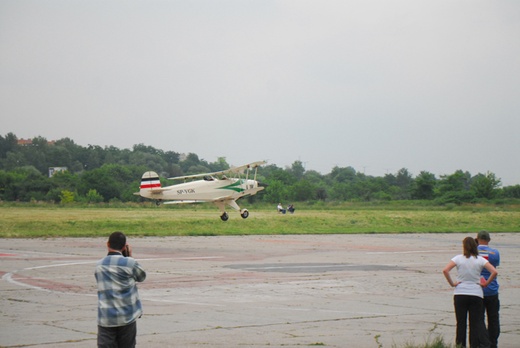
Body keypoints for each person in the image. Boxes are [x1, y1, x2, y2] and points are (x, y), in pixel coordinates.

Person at [443, 236, 498, 348]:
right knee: (474, 323)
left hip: (460, 293)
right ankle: (474, 345)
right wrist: (486, 283)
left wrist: (452, 283)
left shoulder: (458, 258)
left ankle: (460, 345)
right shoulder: (480, 260)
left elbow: (445, 270)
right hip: (475, 293)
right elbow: (494, 272)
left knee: (461, 323)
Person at [95, 231, 147, 348]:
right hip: (127, 316)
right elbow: (141, 276)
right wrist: (129, 257)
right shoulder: (130, 263)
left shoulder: (99, 265)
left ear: (107, 244)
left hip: (106, 317)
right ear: (124, 247)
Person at [476, 231, 500, 348]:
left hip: (478, 290)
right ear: (489, 240)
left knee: (479, 318)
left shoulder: (473, 252)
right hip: (492, 289)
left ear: (477, 238)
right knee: (493, 318)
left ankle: (483, 342)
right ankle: (493, 342)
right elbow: (494, 267)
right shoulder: (495, 253)